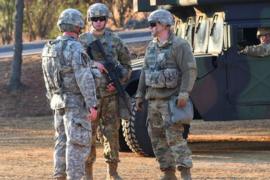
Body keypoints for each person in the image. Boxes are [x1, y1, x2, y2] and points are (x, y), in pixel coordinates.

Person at [135, 9, 197, 180]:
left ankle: (185, 174)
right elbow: (144, 72)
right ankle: (168, 174)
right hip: (153, 101)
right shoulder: (151, 46)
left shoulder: (179, 45)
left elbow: (189, 70)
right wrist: (139, 95)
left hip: (172, 102)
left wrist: (184, 93)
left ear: (163, 24)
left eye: (153, 24)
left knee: (175, 138)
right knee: (157, 139)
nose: (150, 28)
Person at [41, 8, 98, 180]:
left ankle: (59, 175)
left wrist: (53, 97)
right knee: (77, 143)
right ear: (78, 25)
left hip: (58, 101)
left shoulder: (48, 48)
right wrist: (92, 104)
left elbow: (46, 77)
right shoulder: (75, 48)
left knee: (61, 141)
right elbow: (84, 78)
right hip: (75, 103)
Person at [79, 3, 132, 180]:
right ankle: (88, 174)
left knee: (111, 133)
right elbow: (76, 66)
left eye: (102, 19)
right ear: (90, 20)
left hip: (110, 97)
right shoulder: (82, 41)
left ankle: (113, 172)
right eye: (95, 19)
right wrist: (95, 64)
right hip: (90, 97)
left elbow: (127, 66)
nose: (99, 22)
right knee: (89, 135)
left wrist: (118, 83)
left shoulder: (115, 40)